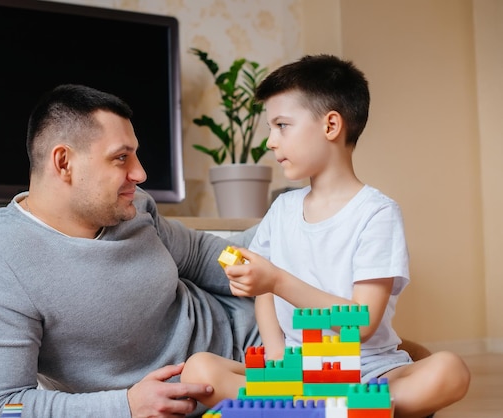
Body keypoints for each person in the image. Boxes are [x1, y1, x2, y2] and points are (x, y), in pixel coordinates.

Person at [180, 55, 470, 418]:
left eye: (282, 125)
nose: (271, 141)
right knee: (200, 370)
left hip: (369, 370)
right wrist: (275, 358)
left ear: (331, 124)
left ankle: (316, 409)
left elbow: (362, 322)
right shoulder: (283, 209)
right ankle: (334, 410)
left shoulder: (376, 213)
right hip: (297, 373)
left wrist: (277, 279)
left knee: (449, 371)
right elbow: (265, 296)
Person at [0, 84, 261, 418]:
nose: (139, 174)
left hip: (267, 332)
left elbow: (197, 254)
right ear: (64, 161)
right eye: (121, 158)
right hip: (218, 392)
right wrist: (126, 406)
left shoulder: (132, 207)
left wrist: (267, 273)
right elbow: (0, 408)